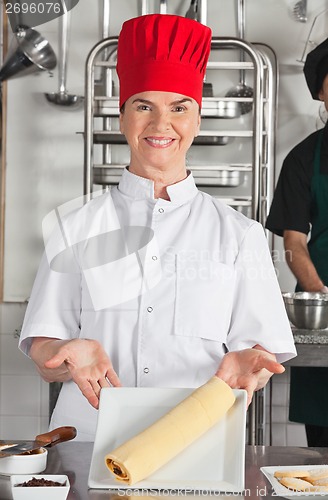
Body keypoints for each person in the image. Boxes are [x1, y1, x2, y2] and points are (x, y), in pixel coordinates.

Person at [19, 13, 296, 440]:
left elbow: (260, 352)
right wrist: (63, 351)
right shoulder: (76, 228)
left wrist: (253, 367)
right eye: (144, 106)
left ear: (197, 119)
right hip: (90, 436)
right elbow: (44, 350)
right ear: (122, 115)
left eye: (178, 108)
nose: (160, 124)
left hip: (196, 441)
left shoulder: (240, 234)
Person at [266, 37, 328, 447]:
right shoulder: (305, 157)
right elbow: (293, 240)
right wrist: (321, 296)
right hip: (325, 310)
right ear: (322, 91)